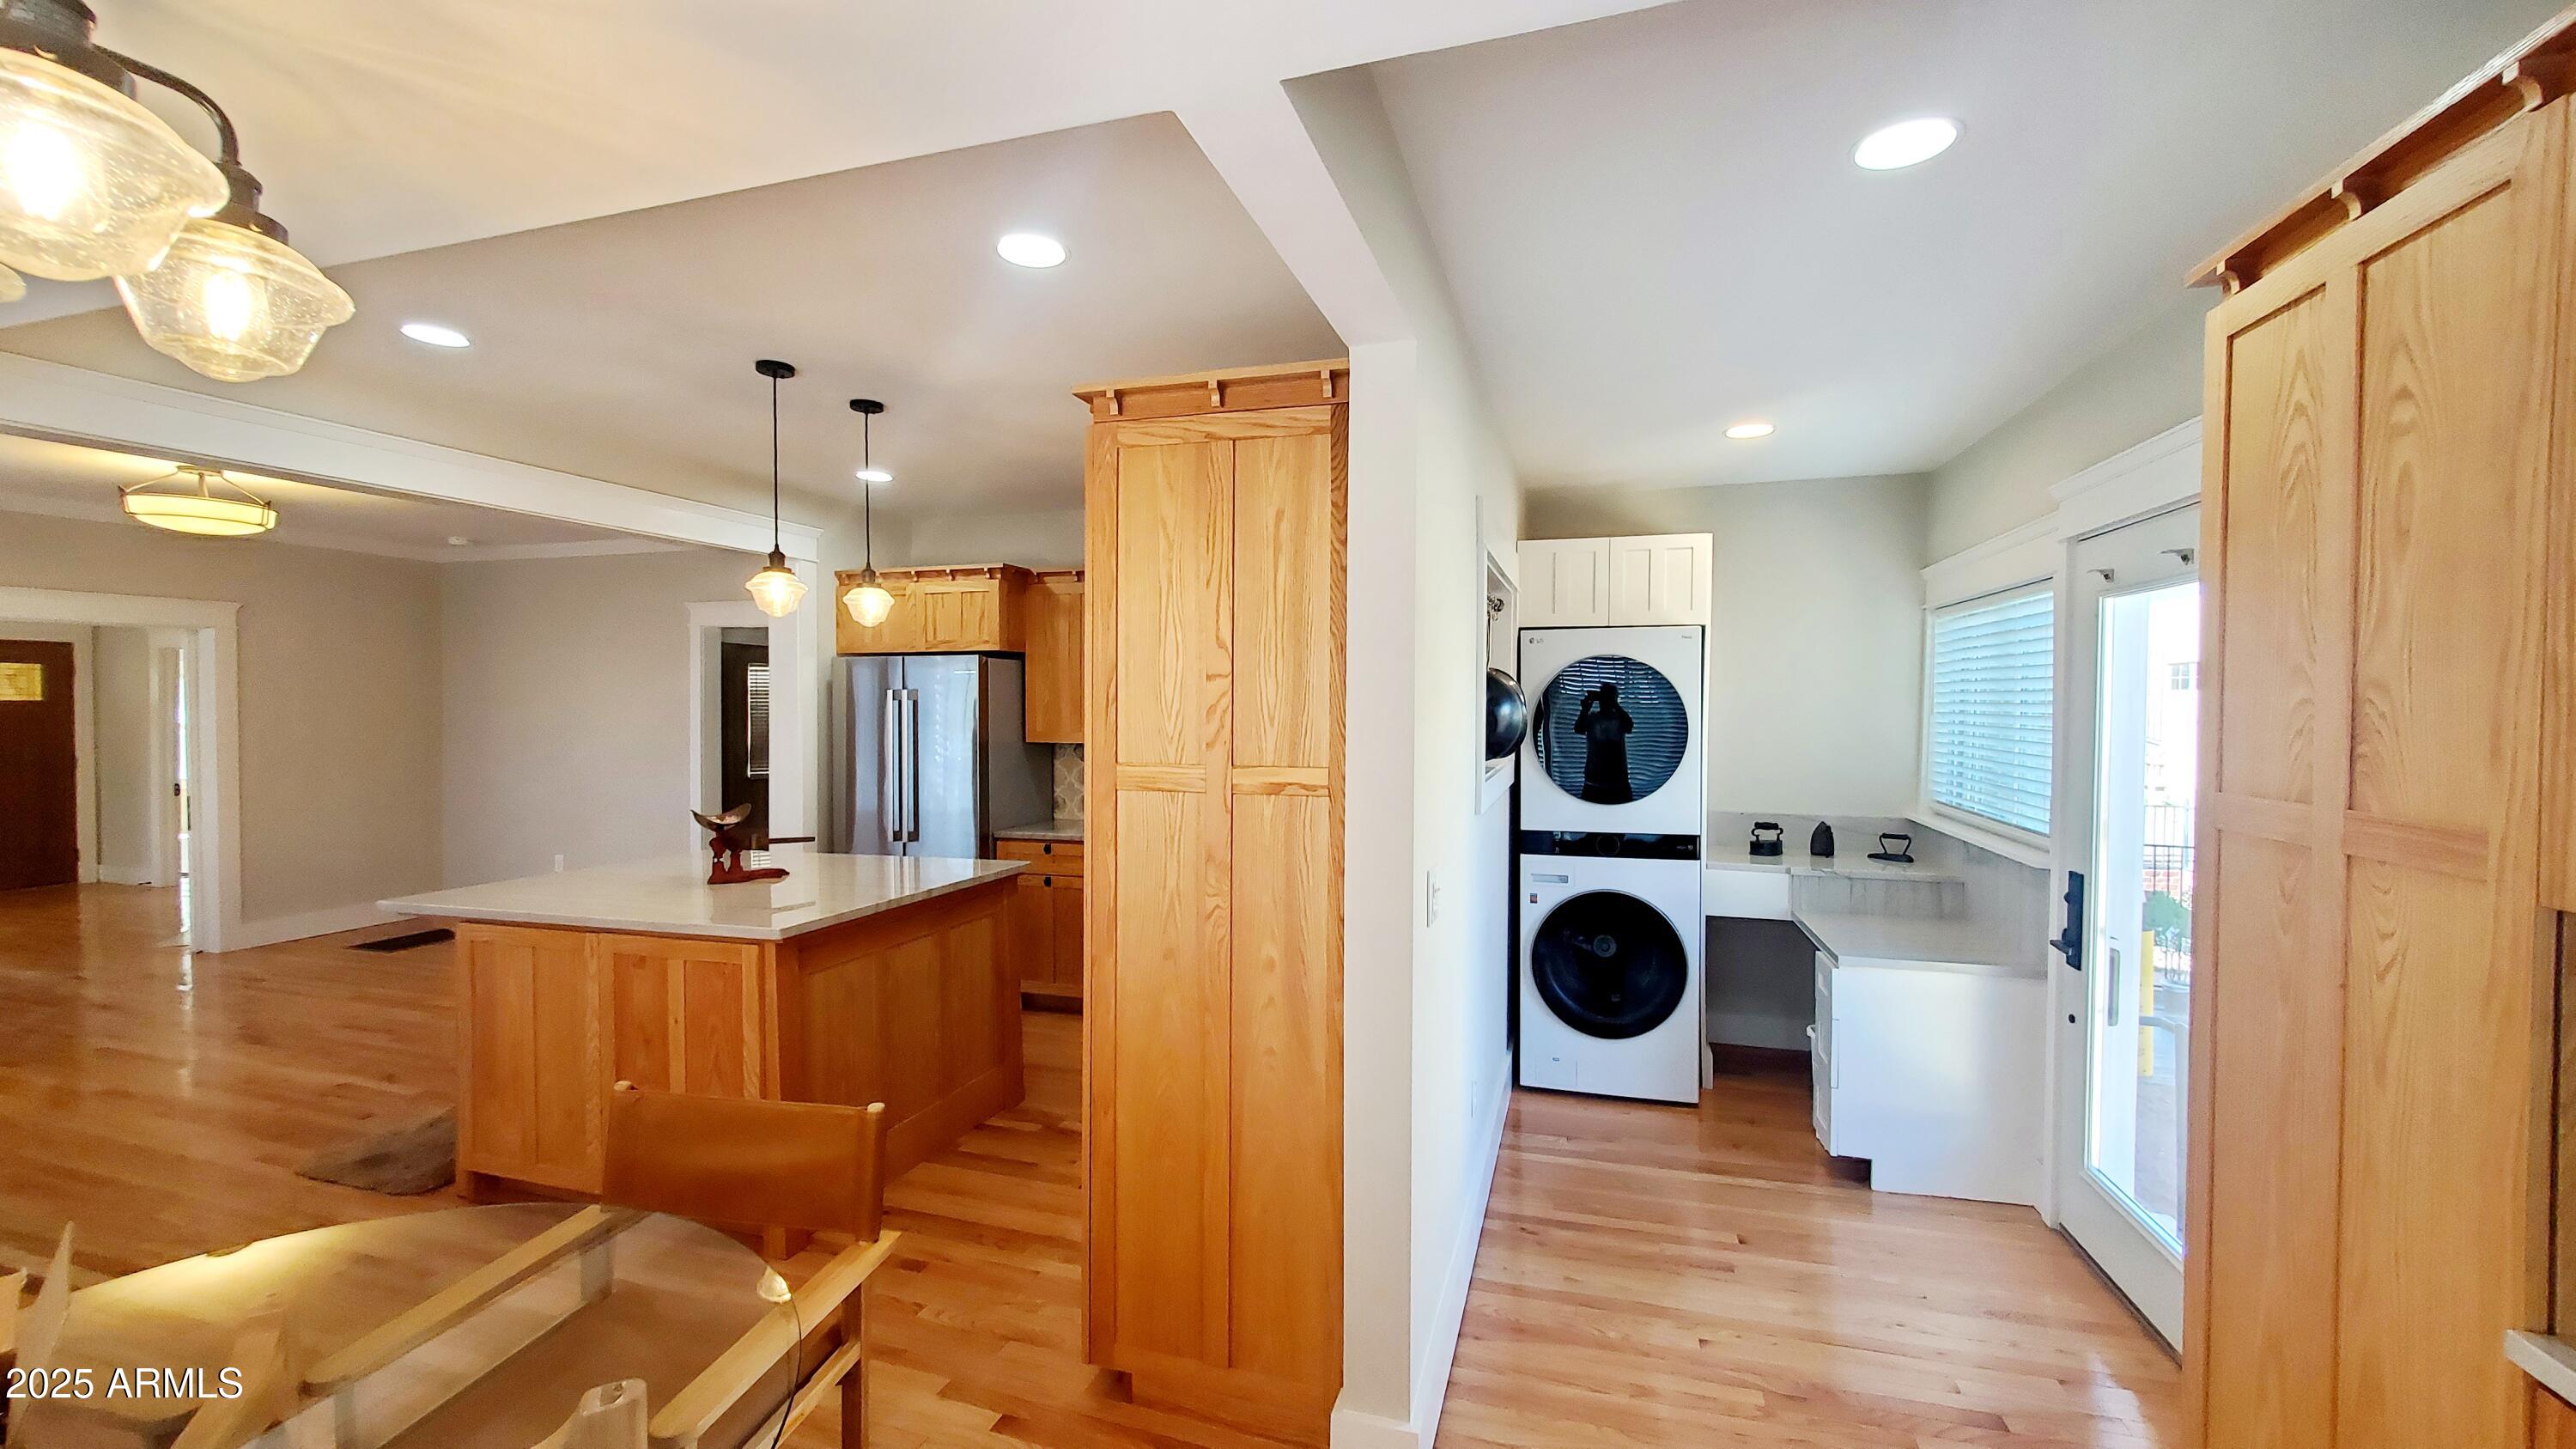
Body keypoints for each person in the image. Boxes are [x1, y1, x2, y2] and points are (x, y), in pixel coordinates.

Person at [1572, 682, 1635, 804]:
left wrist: (1615, 704)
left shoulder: (1620, 718)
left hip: (1617, 780)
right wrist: (1585, 709)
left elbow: (1629, 726)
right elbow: (1579, 729)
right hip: (1595, 780)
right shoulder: (1592, 718)